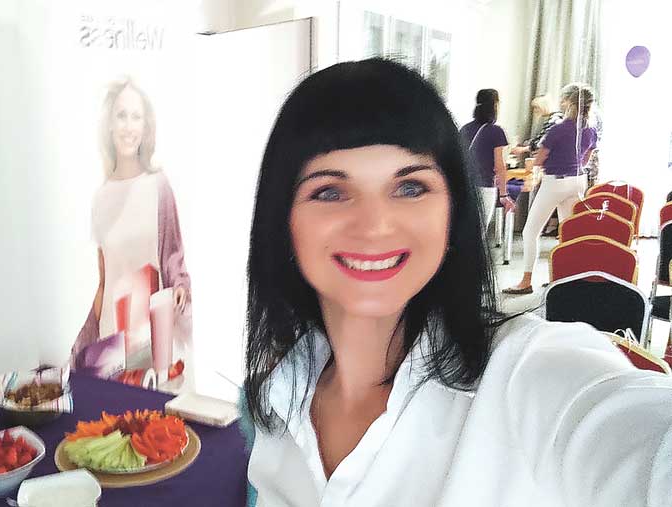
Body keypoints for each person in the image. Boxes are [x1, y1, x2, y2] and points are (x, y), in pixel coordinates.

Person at [242, 58, 672, 506]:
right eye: (329, 192)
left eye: (410, 188)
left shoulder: (523, 372)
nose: (373, 226)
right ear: (283, 221)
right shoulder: (278, 394)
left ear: (453, 213)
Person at [71, 77, 191, 380]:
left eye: (136, 116)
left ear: (146, 126)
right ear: (110, 125)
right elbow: (104, 281)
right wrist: (83, 344)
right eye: (121, 115)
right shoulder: (100, 198)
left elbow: (173, 257)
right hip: (112, 343)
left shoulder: (158, 186)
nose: (128, 126)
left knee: (152, 406)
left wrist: (180, 287)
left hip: (151, 338)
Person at [503, 83, 598, 295]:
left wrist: (539, 169)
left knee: (530, 232)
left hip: (555, 182)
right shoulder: (591, 130)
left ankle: (526, 281)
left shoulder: (559, 129)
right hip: (578, 181)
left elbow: (539, 159)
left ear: (569, 102)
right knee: (568, 233)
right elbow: (586, 159)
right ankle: (563, 278)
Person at [459, 89, 515, 233]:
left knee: (464, 229)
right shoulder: (496, 131)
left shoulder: (464, 129)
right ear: (495, 105)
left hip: (464, 185)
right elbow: (499, 166)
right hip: (485, 186)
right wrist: (504, 194)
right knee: (480, 231)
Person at [510, 95, 564, 159]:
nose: (534, 110)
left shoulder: (554, 120)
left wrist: (523, 149)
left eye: (536, 107)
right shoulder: (556, 118)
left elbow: (543, 142)